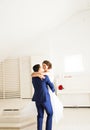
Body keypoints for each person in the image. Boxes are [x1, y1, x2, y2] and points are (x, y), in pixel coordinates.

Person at [32, 64, 55, 130]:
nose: (42, 68)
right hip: (45, 99)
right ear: (39, 69)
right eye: (41, 67)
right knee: (50, 113)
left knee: (40, 115)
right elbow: (52, 87)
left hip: (37, 99)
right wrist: (53, 90)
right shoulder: (45, 77)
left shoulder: (33, 77)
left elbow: (33, 74)